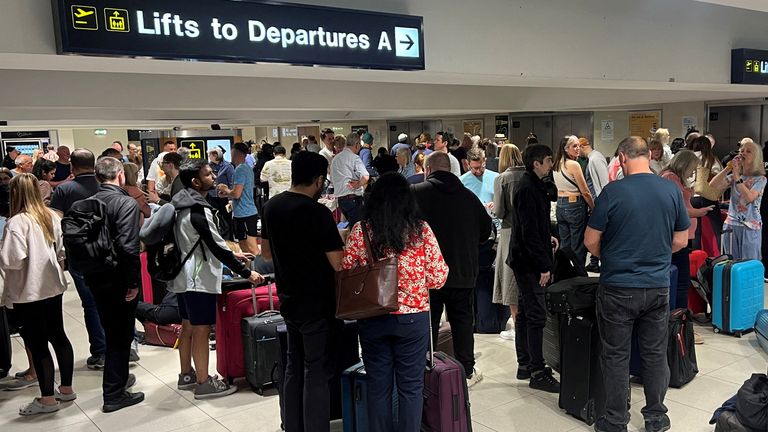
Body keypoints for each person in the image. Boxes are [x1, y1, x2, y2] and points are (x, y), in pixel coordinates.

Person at [584, 136, 690, 432]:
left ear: (622, 157)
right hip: (657, 286)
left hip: (618, 286)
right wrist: (653, 253)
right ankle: (656, 417)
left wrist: (617, 255)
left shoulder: (613, 192)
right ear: (647, 155)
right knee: (655, 353)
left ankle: (616, 420)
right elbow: (682, 239)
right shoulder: (670, 189)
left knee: (616, 355)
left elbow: (591, 240)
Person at [342, 173, 448, 431]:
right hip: (413, 319)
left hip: (373, 315)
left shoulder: (361, 230)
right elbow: (437, 277)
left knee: (378, 386)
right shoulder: (420, 230)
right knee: (411, 388)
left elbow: (348, 271)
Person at [260, 151, 345, 432]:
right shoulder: (317, 213)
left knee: (293, 366)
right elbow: (337, 262)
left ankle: (292, 425)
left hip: (288, 298)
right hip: (318, 303)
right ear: (319, 180)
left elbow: (266, 254)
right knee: (317, 371)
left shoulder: (272, 207)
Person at [170, 159, 264, 399]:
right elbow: (215, 247)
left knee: (188, 325)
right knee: (201, 329)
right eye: (209, 174)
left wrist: (234, 253)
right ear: (195, 181)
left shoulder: (180, 203)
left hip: (182, 274)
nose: (214, 178)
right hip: (198, 278)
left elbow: (201, 242)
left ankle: (186, 375)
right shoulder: (199, 208)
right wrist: (247, 272)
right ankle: (203, 382)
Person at [412, 152, 492, 387]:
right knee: (463, 322)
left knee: (429, 324)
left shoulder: (416, 194)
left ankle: (427, 369)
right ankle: (466, 370)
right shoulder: (469, 197)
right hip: (463, 270)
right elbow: (485, 232)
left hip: (428, 274)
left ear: (427, 170)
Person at [0, 174, 75, 415]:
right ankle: (66, 388)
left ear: (14, 194)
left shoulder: (16, 223)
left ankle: (46, 399)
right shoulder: (51, 215)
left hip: (28, 291)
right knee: (59, 336)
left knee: (37, 343)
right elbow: (62, 252)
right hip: (53, 285)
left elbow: (12, 260)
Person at [86, 157, 144, 413]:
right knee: (121, 335)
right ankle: (114, 393)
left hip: (94, 276)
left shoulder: (84, 204)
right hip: (119, 278)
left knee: (111, 331)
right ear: (120, 175)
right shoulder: (125, 203)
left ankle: (118, 378)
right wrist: (132, 282)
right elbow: (128, 247)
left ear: (98, 177)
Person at [508, 144, 561, 393]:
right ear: (536, 163)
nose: (552, 165)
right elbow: (528, 231)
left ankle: (526, 363)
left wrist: (548, 234)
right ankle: (537, 370)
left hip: (524, 258)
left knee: (527, 313)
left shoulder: (533, 185)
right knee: (536, 315)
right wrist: (543, 265)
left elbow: (534, 224)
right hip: (529, 262)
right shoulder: (528, 188)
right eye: (549, 161)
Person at [49, 149, 107, 370]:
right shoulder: (106, 186)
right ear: (94, 164)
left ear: (72, 166)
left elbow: (56, 223)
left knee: (91, 304)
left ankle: (100, 352)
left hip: (79, 255)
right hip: (107, 253)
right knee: (112, 301)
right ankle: (123, 348)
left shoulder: (64, 190)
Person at [661, 150, 712, 319]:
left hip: (682, 236)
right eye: (692, 169)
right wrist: (699, 212)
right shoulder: (670, 178)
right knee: (680, 280)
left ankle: (678, 317)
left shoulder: (675, 179)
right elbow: (677, 209)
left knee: (680, 279)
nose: (693, 173)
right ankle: (679, 320)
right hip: (677, 237)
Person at [710, 138, 767, 260]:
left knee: (749, 262)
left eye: (748, 151)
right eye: (741, 150)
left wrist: (737, 177)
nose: (743, 153)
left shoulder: (760, 179)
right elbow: (713, 185)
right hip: (731, 224)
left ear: (756, 157)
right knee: (731, 262)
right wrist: (728, 168)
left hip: (750, 226)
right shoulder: (734, 176)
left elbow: (750, 197)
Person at [492, 144, 526, 340]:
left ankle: (516, 326)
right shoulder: (529, 176)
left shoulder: (502, 179)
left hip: (509, 233)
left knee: (510, 282)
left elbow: (499, 211)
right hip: (530, 234)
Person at [552, 135, 594, 266]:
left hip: (561, 205)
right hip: (575, 204)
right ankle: (578, 274)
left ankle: (565, 272)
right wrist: (593, 207)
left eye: (579, 145)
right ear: (566, 149)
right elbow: (585, 191)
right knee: (577, 244)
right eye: (574, 146)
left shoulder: (556, 164)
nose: (578, 149)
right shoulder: (574, 165)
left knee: (565, 243)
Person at [217, 143, 260, 256]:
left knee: (250, 246)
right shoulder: (247, 168)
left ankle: (260, 269)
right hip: (244, 212)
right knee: (244, 245)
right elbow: (240, 192)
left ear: (236, 153)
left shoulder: (240, 170)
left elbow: (236, 194)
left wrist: (225, 189)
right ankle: (250, 270)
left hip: (245, 213)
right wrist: (227, 194)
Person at [580, 137, 609, 273]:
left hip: (599, 201)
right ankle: (594, 262)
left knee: (599, 233)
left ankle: (599, 262)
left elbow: (604, 182)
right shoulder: (592, 159)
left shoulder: (596, 159)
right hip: (597, 201)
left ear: (583, 147)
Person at [691, 135, 724, 253]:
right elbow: (719, 177)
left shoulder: (690, 158)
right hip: (708, 196)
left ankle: (696, 257)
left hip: (692, 197)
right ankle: (721, 253)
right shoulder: (711, 159)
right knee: (717, 228)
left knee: (696, 230)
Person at [330, 133, 369, 227]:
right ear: (357, 145)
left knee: (350, 227)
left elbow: (332, 178)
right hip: (353, 198)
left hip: (341, 200)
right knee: (358, 229)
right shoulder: (355, 158)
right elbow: (366, 176)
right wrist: (359, 184)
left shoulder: (335, 159)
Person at [207, 146, 235, 240]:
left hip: (225, 197)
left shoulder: (228, 166)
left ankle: (229, 239)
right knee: (215, 219)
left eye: (210, 154)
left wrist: (230, 198)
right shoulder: (208, 166)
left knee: (227, 218)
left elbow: (232, 182)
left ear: (215, 155)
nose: (209, 156)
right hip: (212, 196)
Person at [460, 147, 499, 212]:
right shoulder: (461, 181)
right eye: (475, 168)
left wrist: (495, 204)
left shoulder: (496, 177)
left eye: (481, 167)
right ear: (468, 164)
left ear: (485, 161)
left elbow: (502, 202)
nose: (478, 171)